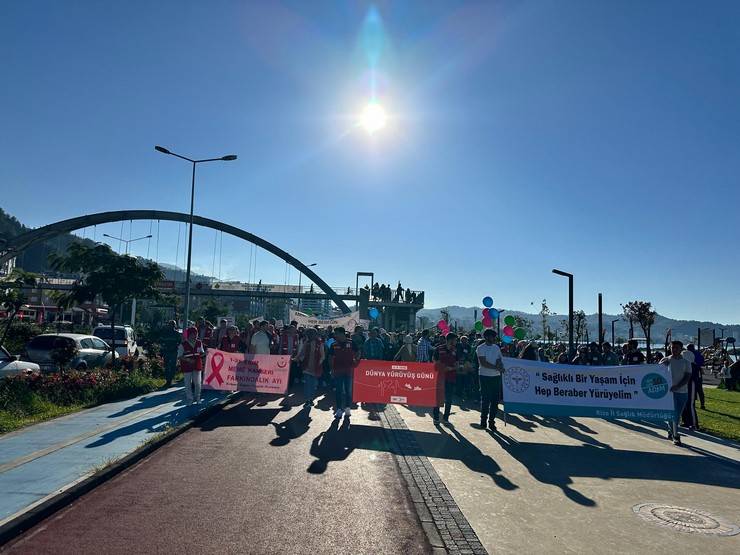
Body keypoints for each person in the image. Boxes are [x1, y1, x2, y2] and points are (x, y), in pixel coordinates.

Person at [660, 340, 692, 445]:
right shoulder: (666, 360)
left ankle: (671, 430)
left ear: (681, 349)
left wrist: (678, 386)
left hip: (682, 392)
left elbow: (687, 376)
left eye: (676, 348)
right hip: (669, 393)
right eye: (672, 347)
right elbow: (657, 372)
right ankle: (676, 435)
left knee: (677, 414)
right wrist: (663, 365)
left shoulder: (686, 362)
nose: (674, 350)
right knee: (673, 414)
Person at [476, 329, 505, 431]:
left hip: (496, 377)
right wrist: (496, 368)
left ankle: (491, 421)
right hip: (484, 376)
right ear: (487, 337)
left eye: (494, 337)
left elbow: (499, 359)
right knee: (485, 400)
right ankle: (483, 420)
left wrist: (500, 365)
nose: (493, 338)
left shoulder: (496, 347)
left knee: (495, 401)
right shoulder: (480, 348)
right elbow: (483, 363)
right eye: (492, 336)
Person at [329, 327, 358, 419]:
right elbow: (330, 357)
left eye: (336, 333)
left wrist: (355, 361)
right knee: (338, 390)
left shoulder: (351, 342)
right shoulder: (333, 344)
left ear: (342, 333)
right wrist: (331, 369)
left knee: (348, 391)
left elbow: (358, 352)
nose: (335, 335)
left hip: (349, 371)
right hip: (337, 371)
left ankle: (348, 408)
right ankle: (339, 409)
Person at [432, 332, 458, 424]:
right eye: (455, 340)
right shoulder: (439, 349)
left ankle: (446, 418)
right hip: (440, 377)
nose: (456, 342)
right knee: (438, 398)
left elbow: (457, 364)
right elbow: (434, 360)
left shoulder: (455, 350)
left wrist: (452, 368)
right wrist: (442, 368)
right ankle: (436, 417)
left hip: (451, 378)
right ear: (450, 340)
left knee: (449, 399)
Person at [177, 326, 205, 405]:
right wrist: (188, 360)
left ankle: (198, 398)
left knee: (198, 383)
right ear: (189, 334)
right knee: (187, 383)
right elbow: (179, 356)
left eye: (196, 334)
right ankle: (190, 399)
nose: (195, 335)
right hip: (187, 366)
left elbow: (201, 353)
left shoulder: (199, 342)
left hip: (197, 365)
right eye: (193, 334)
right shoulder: (183, 344)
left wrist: (206, 353)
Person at [298, 328, 324, 407]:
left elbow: (322, 355)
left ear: (315, 335)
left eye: (311, 334)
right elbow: (301, 353)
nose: (309, 335)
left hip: (315, 368)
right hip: (306, 368)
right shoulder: (306, 342)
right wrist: (298, 359)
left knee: (313, 385)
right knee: (307, 384)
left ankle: (311, 399)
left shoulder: (319, 343)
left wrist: (319, 364)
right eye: (308, 334)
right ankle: (307, 400)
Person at [680, 347, 698, 429]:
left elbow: (691, 378)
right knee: (683, 404)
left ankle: (694, 424)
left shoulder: (693, 366)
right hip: (684, 386)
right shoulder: (683, 365)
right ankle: (686, 421)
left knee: (690, 404)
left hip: (691, 386)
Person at [159, 320, 181, 387]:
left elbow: (179, 342)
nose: (171, 326)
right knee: (166, 366)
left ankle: (170, 379)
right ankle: (167, 380)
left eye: (172, 325)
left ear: (174, 326)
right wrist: (163, 346)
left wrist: (174, 346)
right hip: (166, 351)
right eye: (170, 325)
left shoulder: (176, 333)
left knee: (172, 366)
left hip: (173, 352)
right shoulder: (165, 333)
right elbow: (161, 341)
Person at [686, 344, 705, 409]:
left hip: (692, 373)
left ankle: (693, 403)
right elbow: (702, 362)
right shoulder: (698, 354)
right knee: (699, 390)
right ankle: (702, 404)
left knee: (691, 389)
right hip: (697, 373)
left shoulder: (687, 354)